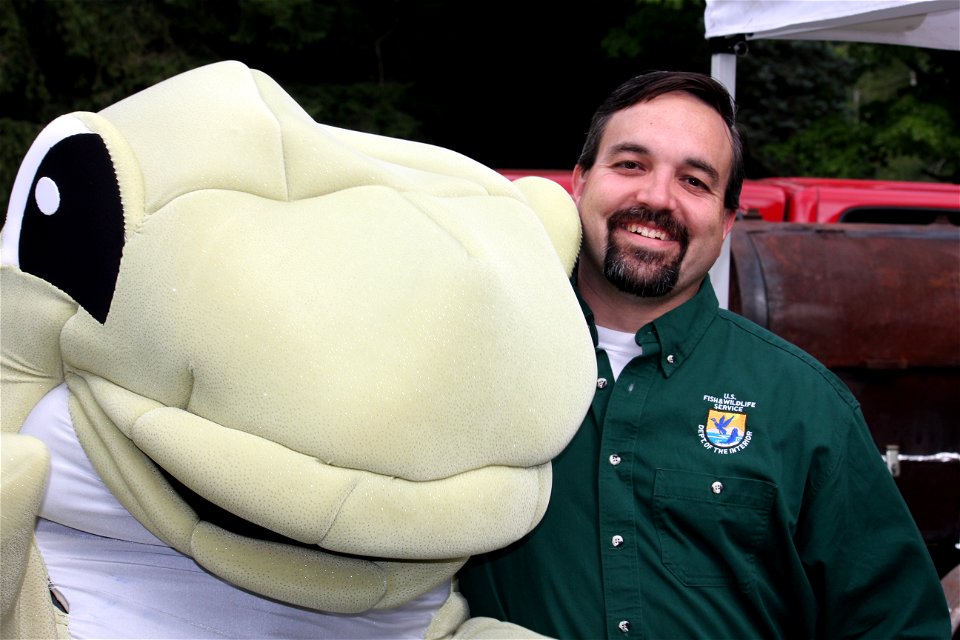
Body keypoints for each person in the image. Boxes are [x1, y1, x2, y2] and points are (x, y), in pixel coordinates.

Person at [456, 71, 951, 639]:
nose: (656, 197)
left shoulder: (805, 406)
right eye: (630, 165)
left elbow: (899, 626)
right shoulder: (479, 362)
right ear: (579, 182)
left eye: (694, 181)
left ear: (727, 222)